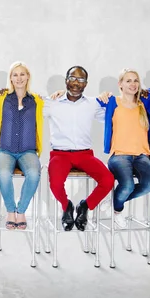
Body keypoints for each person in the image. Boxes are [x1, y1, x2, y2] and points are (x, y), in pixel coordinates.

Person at [45, 66, 114, 231]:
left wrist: (109, 98)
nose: (76, 82)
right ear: (66, 80)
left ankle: (84, 207)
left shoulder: (93, 104)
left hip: (84, 154)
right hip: (60, 154)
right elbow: (27, 103)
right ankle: (66, 206)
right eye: (73, 78)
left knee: (108, 180)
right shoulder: (51, 102)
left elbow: (115, 113)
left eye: (81, 79)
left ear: (86, 84)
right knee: (55, 183)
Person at [98, 69, 150, 228]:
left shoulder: (145, 100)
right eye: (128, 81)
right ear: (120, 84)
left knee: (148, 185)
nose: (133, 84)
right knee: (127, 185)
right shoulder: (112, 101)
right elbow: (83, 101)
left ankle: (115, 199)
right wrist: (61, 93)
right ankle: (118, 209)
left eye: (135, 80)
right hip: (119, 156)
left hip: (142, 156)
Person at [0, 62, 43, 230]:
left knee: (34, 174)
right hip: (5, 150)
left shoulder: (37, 101)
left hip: (28, 151)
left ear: (28, 76)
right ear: (10, 78)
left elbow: (57, 101)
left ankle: (21, 211)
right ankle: (10, 211)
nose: (19, 78)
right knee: (4, 175)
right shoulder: (1, 99)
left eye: (22, 74)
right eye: (15, 75)